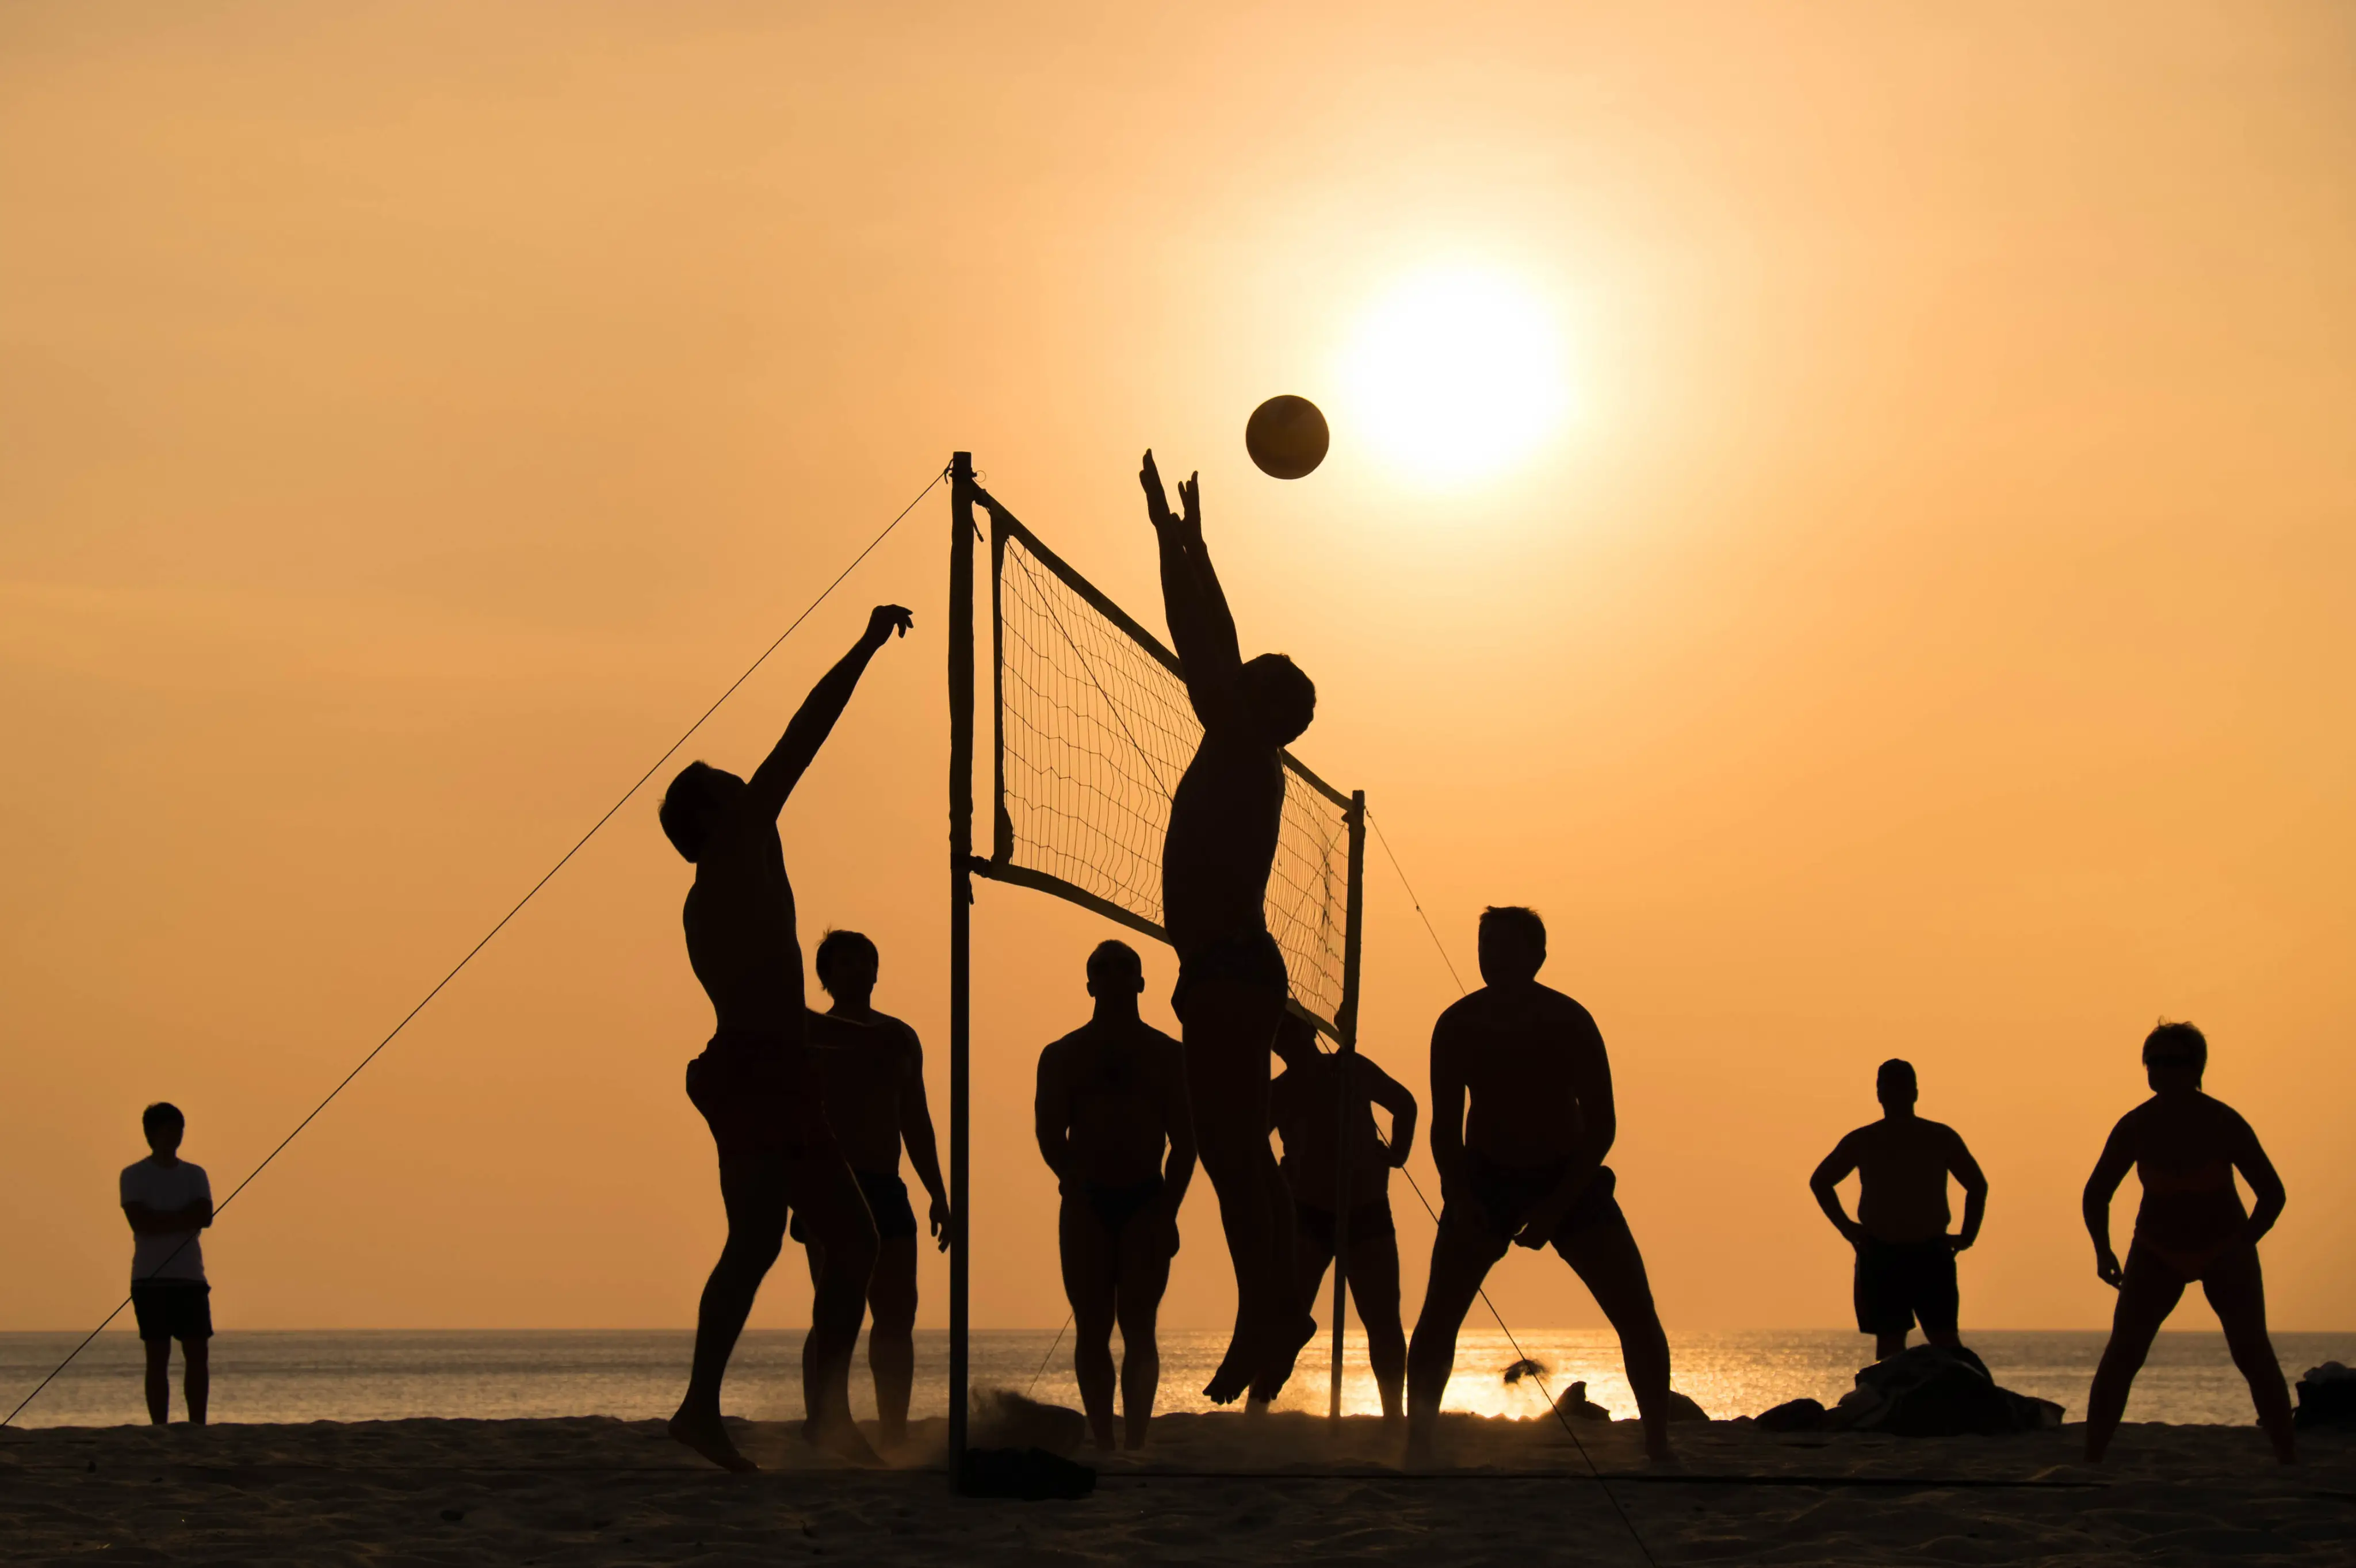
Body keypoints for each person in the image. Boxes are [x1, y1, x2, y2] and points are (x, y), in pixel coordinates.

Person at [661, 603, 912, 1472]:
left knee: (856, 1240)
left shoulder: (738, 876)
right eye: (733, 788)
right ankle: (699, 1408)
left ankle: (826, 1415)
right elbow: (804, 736)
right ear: (713, 819)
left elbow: (771, 1007)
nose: (750, 789)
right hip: (753, 1075)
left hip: (780, 1067)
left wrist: (840, 1044)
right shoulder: (730, 862)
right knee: (759, 1240)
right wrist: (867, 644)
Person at [1138, 449, 1317, 1404]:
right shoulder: (1246, 747)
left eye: (1242, 683)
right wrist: (1191, 548)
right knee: (1240, 1151)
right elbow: (1214, 644)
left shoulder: (1244, 745)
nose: (1225, 684)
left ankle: (1272, 1309)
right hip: (1235, 970)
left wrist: (1179, 546)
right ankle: (1276, 1307)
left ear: (1258, 706)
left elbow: (1202, 643)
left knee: (1231, 1151)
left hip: (1230, 970)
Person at [1405, 907, 1676, 1462]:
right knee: (1439, 1314)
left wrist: (1557, 1206)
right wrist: (1459, 1196)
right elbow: (1443, 1129)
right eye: (1485, 946)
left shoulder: (1568, 1020)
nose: (1492, 958)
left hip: (1568, 1174)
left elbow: (1603, 1126)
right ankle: (1418, 1447)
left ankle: (1658, 1443)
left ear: (1537, 957)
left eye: (1505, 947)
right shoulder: (1457, 1023)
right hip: (1484, 1177)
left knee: (1635, 1311)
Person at [2081, 1020, 2293, 1463]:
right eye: (2154, 1063)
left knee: (2253, 1352)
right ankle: (2092, 1456)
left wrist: (2243, 1242)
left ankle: (2287, 1457)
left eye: (2173, 1062)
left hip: (2223, 1248)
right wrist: (2103, 1250)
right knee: (2123, 1354)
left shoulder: (2222, 1121)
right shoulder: (2137, 1125)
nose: (2161, 1071)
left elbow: (2272, 1193)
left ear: (2195, 1068)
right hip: (2157, 1249)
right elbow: (2097, 1192)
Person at [1034, 940, 1197, 1450]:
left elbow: (1187, 1142)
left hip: (1146, 1199)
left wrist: (1168, 1209)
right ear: (1089, 985)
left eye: (1124, 968)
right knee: (1092, 1325)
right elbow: (1047, 1132)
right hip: (1087, 1200)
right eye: (1102, 970)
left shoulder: (1169, 1056)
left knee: (1139, 1325)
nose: (1112, 976)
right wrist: (1069, 1175)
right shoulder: (1063, 1054)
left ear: (1141, 982)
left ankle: (1137, 1443)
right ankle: (1105, 1440)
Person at [794, 928, 950, 1449]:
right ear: (827, 976)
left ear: (877, 971)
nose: (858, 971)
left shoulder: (899, 1037)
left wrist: (938, 1193)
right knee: (834, 1309)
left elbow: (917, 1120)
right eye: (845, 964)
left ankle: (893, 1431)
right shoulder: (810, 1033)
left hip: (887, 1185)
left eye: (865, 962)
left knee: (897, 1312)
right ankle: (825, 1424)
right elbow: (789, 1114)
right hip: (831, 1183)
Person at [1250, 1014, 1418, 1417]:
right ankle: (1256, 1410)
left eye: (1292, 1032)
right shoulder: (1279, 1092)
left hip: (1366, 1211)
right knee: (1288, 1321)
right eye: (1279, 1037)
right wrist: (1281, 1176)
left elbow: (1404, 1103)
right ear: (1274, 1046)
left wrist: (1398, 1153)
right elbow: (1251, 1150)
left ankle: (1395, 1414)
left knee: (1382, 1321)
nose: (1286, 1042)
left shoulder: (1350, 1069)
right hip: (1309, 1216)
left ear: (1310, 1031)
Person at [1808, 1059, 1989, 1363]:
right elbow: (1821, 1181)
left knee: (1939, 1339)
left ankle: (1956, 1402)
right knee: (1895, 1344)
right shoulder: (1867, 1139)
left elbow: (1977, 1186)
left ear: (1913, 1094)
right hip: (1883, 1252)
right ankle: (1899, 1403)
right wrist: (1847, 1228)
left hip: (1926, 1252)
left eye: (1899, 1090)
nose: (1895, 1096)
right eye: (1891, 1090)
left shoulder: (1936, 1137)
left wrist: (1968, 1235)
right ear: (1881, 1095)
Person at [120, 1102, 215, 1427]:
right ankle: (159, 1426)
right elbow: (140, 1222)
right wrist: (182, 1218)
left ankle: (197, 1424)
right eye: (169, 1130)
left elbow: (204, 1216)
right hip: (150, 1279)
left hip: (190, 1277)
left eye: (179, 1130)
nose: (175, 1136)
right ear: (152, 1134)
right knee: (157, 1357)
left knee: (197, 1354)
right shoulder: (133, 1175)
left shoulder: (195, 1174)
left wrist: (166, 1219)